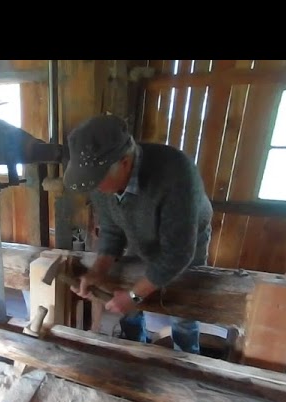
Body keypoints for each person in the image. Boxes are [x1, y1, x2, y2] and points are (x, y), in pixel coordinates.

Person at [62, 114, 213, 354]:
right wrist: (97, 272)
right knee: (126, 300)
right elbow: (112, 230)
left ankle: (186, 358)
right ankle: (135, 350)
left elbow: (177, 254)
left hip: (185, 244)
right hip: (139, 236)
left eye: (98, 181)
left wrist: (134, 295)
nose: (95, 188)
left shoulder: (177, 173)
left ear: (124, 162)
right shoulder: (100, 180)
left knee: (182, 306)